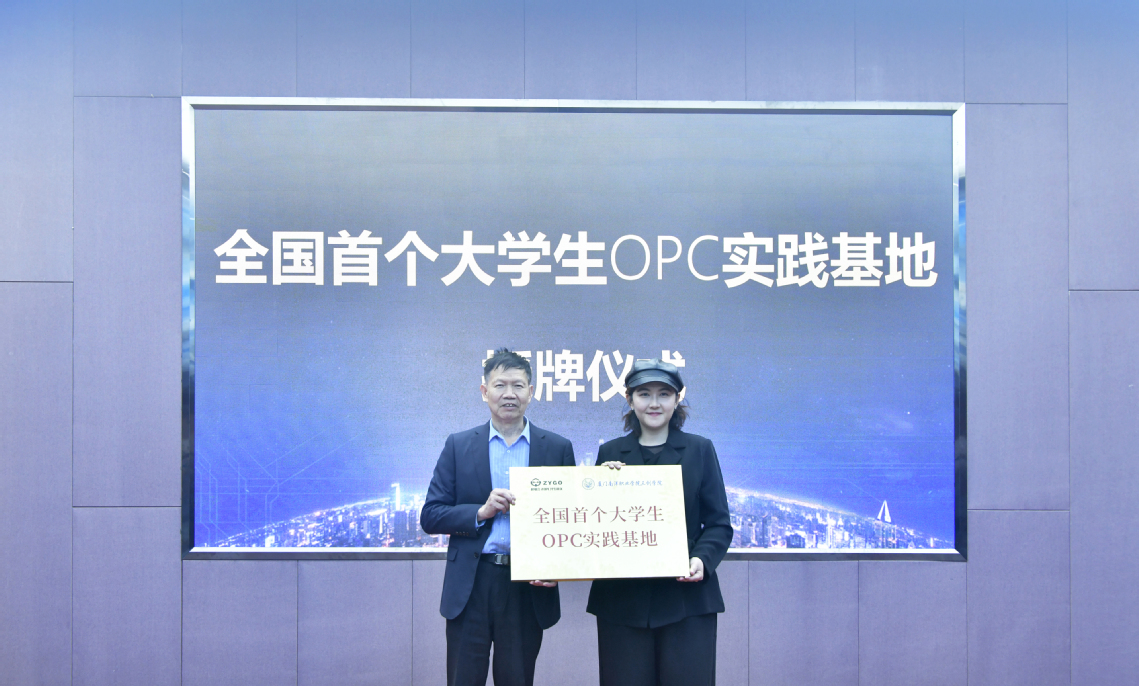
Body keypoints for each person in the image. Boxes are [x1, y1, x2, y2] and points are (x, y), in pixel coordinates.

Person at [421, 348, 576, 686]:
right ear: (484, 391)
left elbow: (570, 518)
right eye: (500, 385)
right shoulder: (458, 446)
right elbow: (431, 515)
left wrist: (559, 568)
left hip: (525, 588)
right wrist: (480, 512)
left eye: (518, 386)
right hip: (471, 584)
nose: (509, 394)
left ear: (531, 392)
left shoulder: (557, 448)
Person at [586, 358, 732, 686]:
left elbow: (719, 524)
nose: (654, 403)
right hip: (622, 603)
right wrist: (602, 485)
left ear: (677, 399)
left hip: (686, 602)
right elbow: (594, 526)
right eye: (644, 394)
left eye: (664, 394)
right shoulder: (610, 454)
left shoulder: (699, 450)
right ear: (629, 400)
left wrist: (701, 559)